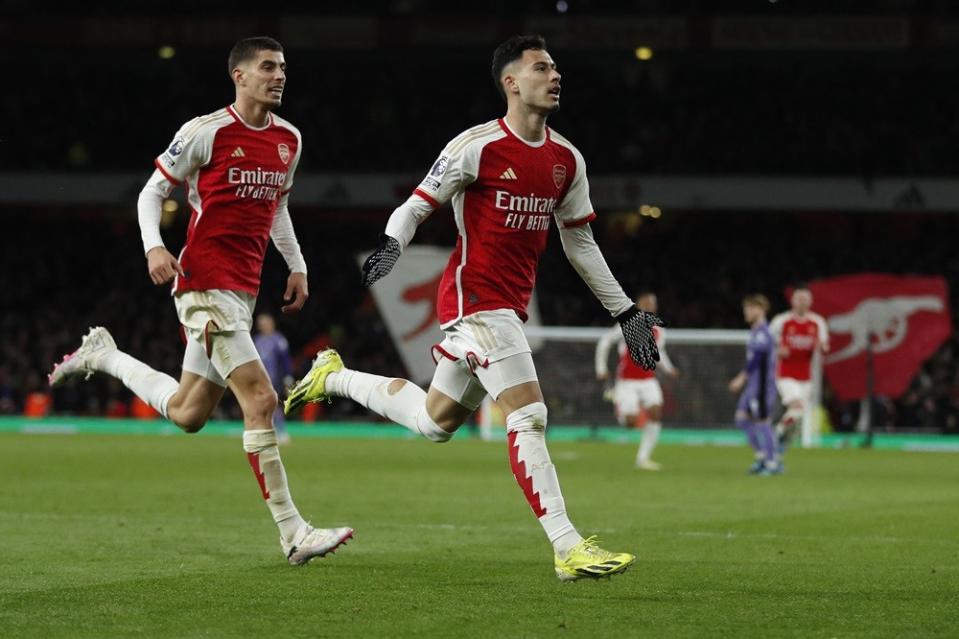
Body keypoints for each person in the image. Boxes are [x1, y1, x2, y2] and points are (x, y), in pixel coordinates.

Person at [285, 35, 662, 582]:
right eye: (541, 67)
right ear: (511, 82)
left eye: (556, 67)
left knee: (434, 423)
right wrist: (394, 242)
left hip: (506, 306)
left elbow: (580, 244)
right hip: (476, 302)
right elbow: (417, 204)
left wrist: (626, 312)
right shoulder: (476, 146)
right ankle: (567, 545)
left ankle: (335, 376)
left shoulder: (566, 161)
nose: (554, 76)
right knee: (529, 415)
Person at [48, 37, 352, 566]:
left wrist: (297, 264)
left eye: (282, 68)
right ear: (238, 75)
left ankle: (105, 355)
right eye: (267, 67)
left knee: (189, 414)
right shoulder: (204, 132)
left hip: (242, 289)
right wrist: (154, 246)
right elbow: (151, 193)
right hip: (203, 285)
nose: (278, 76)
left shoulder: (288, 140)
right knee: (260, 402)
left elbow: (277, 207)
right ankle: (293, 533)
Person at [595, 291, 678, 471]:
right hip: (627, 382)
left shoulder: (659, 330)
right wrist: (601, 369)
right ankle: (621, 410)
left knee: (656, 412)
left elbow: (660, 353)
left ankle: (643, 458)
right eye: (647, 303)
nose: (650, 306)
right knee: (632, 423)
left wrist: (669, 368)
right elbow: (605, 342)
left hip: (648, 379)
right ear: (638, 305)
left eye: (653, 303)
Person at [769, 285, 830, 449]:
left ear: (811, 301)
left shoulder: (817, 322)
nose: (802, 302)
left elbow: (824, 346)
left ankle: (780, 443)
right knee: (797, 406)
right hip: (785, 374)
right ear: (793, 301)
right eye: (799, 299)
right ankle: (776, 433)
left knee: (798, 413)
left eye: (805, 299)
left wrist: (822, 347)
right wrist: (777, 350)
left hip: (806, 376)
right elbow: (768, 344)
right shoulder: (781, 321)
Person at [728, 294, 780, 475]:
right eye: (746, 309)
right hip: (753, 386)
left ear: (761, 309)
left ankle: (773, 463)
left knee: (763, 422)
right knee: (742, 419)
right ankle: (761, 456)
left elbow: (757, 359)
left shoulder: (764, 332)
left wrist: (741, 378)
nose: (747, 312)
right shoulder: (755, 331)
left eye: (750, 308)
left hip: (762, 387)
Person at [254, 312, 294, 444]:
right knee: (259, 405)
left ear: (271, 324)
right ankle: (262, 431)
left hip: (274, 378)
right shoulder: (257, 341)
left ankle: (281, 432)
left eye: (265, 323)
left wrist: (288, 378)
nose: (263, 326)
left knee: (273, 405)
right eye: (261, 324)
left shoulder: (279, 340)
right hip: (258, 378)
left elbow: (286, 360)